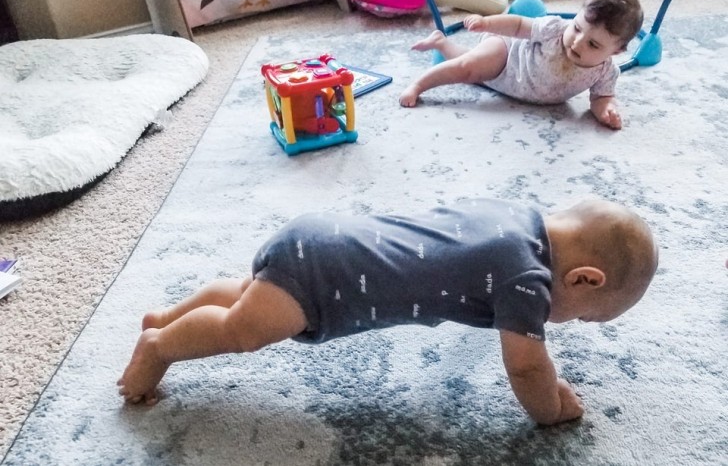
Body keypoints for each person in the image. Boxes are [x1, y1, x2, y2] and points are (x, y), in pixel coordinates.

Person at [118, 197, 658, 426]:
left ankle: (167, 316)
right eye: (586, 316)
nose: (569, 323)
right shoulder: (526, 281)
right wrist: (551, 408)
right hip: (326, 278)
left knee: (247, 291)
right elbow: (525, 365)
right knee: (242, 330)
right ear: (584, 279)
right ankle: (159, 347)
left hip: (321, 237)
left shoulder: (517, 217)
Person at [399, 0, 644, 130]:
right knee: (467, 67)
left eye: (593, 44)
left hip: (510, 83)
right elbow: (518, 25)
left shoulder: (605, 72)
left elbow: (602, 97)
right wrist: (487, 23)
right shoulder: (554, 29)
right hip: (507, 55)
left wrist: (606, 111)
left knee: (475, 75)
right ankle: (419, 85)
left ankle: (441, 43)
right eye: (577, 28)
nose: (577, 42)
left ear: (616, 51)